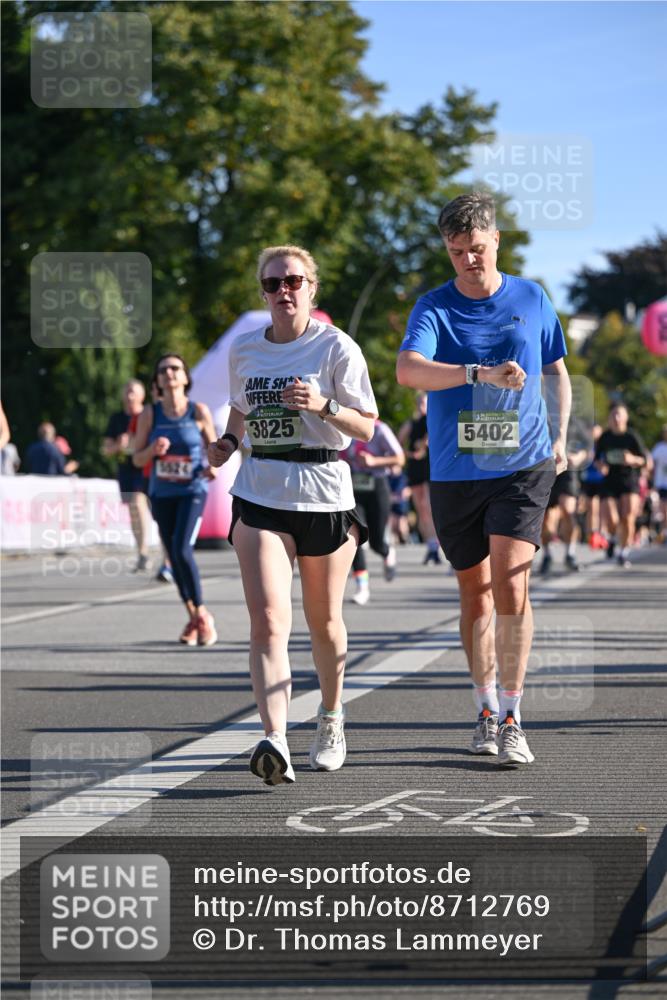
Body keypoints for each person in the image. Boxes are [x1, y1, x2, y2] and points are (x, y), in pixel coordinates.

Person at [397, 190, 570, 768]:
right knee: (474, 591)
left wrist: (564, 437)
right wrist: (476, 372)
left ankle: (515, 715)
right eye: (456, 251)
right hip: (455, 470)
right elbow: (407, 370)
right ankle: (485, 707)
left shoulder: (532, 296)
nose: (468, 260)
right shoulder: (434, 307)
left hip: (523, 463)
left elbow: (556, 372)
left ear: (496, 240)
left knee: (512, 583)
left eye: (476, 248)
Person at [208, 244, 377, 786]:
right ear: (262, 291)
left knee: (323, 624)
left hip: (325, 491)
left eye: (294, 281)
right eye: (273, 283)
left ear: (312, 288)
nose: (284, 291)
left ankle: (331, 717)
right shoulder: (244, 350)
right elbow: (241, 404)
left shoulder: (337, 348)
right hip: (261, 491)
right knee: (268, 620)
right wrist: (230, 441)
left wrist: (322, 406)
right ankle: (275, 737)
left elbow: (367, 428)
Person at [132, 354, 219, 645]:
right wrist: (153, 451)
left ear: (185, 377)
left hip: (193, 490)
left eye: (175, 368)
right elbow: (136, 458)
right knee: (172, 553)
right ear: (157, 381)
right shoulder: (150, 415)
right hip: (162, 493)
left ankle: (202, 614)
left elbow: (215, 449)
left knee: (182, 550)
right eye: (163, 369)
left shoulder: (198, 411)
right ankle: (195, 617)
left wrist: (214, 467)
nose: (169, 372)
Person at [341, 418, 405, 604]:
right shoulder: (341, 424)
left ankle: (386, 552)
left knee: (376, 541)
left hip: (376, 485)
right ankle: (362, 587)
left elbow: (399, 458)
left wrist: (374, 461)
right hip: (352, 486)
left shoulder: (380, 429)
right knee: (354, 537)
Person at [103, 380, 152, 572]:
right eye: (127, 391)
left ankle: (168, 556)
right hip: (126, 470)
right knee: (133, 511)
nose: (130, 395)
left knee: (139, 504)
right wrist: (118, 446)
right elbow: (106, 450)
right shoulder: (116, 419)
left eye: (133, 391)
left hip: (147, 467)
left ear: (142, 395)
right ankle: (142, 552)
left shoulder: (147, 416)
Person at [595, 403, 648, 568]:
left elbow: (644, 460)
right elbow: (597, 458)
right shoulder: (605, 437)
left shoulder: (632, 437)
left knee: (628, 517)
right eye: (613, 415)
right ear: (609, 419)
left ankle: (623, 553)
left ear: (626, 418)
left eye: (620, 415)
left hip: (629, 479)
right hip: (610, 480)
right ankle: (611, 539)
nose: (617, 419)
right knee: (612, 519)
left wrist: (632, 460)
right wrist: (600, 466)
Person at [539, 419, 589, 574]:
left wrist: (579, 457)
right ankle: (547, 554)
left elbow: (587, 448)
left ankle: (570, 553)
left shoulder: (574, 422)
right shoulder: (537, 415)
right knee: (545, 520)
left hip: (568, 471)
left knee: (568, 510)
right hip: (544, 470)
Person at [398, 392, 442, 563]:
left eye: (424, 404)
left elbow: (431, 440)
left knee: (430, 507)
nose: (422, 407)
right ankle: (431, 545)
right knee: (421, 509)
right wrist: (409, 453)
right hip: (416, 467)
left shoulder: (433, 420)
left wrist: (424, 445)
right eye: (420, 404)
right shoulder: (412, 423)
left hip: (430, 467)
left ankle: (436, 545)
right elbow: (398, 442)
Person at [650, 424, 667, 542]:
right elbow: (652, 465)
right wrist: (652, 481)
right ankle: (663, 532)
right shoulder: (659, 448)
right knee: (662, 509)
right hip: (661, 483)